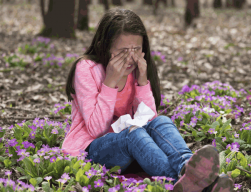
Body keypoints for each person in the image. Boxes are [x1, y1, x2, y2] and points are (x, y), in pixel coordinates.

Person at [62, 7, 234, 192]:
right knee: (133, 133)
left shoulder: (135, 69)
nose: (130, 57)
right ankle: (180, 181)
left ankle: (187, 168)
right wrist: (110, 82)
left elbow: (149, 119)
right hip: (93, 150)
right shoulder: (86, 69)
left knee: (161, 121)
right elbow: (96, 129)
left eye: (136, 49)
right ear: (105, 46)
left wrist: (142, 81)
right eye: (123, 50)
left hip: (131, 148)